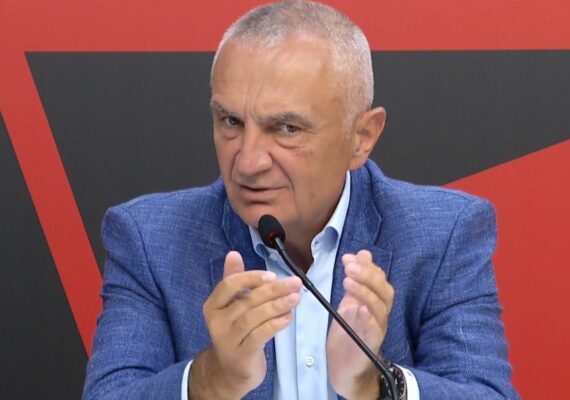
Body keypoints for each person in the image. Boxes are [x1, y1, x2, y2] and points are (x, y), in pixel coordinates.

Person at [82, 1, 519, 399]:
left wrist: (377, 385)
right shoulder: (149, 239)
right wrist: (211, 380)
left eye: (287, 129)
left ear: (362, 138)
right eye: (231, 121)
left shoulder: (443, 234)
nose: (248, 162)